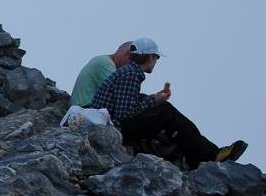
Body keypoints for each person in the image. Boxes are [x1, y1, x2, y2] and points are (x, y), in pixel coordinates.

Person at [90, 37, 247, 168]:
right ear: (150, 57)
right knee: (167, 112)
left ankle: (198, 156)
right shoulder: (131, 74)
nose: (156, 61)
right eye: (156, 57)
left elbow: (124, 104)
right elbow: (124, 114)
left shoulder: (127, 71)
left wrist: (151, 99)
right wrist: (154, 100)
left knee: (163, 109)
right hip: (115, 129)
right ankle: (211, 155)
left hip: (110, 124)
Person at [69, 41, 133, 107]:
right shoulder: (106, 64)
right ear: (127, 54)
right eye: (132, 62)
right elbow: (121, 95)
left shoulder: (102, 59)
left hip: (83, 109)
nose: (130, 67)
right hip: (86, 110)